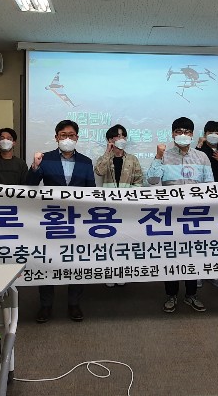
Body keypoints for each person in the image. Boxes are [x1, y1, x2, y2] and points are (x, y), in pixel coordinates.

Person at [26, 120, 95, 323]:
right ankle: (46, 305)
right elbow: (29, 185)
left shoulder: (86, 161)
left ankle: (74, 303)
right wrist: (35, 166)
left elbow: (91, 192)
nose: (67, 139)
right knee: (47, 260)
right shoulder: (45, 159)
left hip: (77, 220)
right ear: (56, 137)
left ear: (77, 138)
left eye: (71, 135)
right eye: (63, 135)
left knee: (77, 261)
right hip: (52, 219)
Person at [146, 117, 214, 313]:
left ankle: (191, 295)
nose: (182, 135)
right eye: (178, 131)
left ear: (192, 135)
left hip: (194, 216)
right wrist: (158, 156)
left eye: (186, 131)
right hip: (171, 216)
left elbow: (210, 186)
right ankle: (171, 295)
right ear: (173, 134)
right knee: (171, 256)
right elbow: (152, 180)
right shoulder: (164, 156)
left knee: (192, 256)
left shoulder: (202, 157)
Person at [94, 124, 144, 287]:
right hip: (107, 206)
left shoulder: (132, 159)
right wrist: (107, 153)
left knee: (124, 239)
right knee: (108, 239)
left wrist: (130, 197)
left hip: (126, 206)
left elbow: (139, 181)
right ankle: (109, 272)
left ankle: (122, 271)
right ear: (110, 139)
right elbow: (99, 171)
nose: (121, 138)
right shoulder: (105, 158)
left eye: (123, 136)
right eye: (118, 135)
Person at [195, 120, 218, 288]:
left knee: (215, 238)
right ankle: (197, 273)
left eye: (217, 132)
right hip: (200, 200)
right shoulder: (198, 151)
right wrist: (199, 146)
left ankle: (213, 272)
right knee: (199, 238)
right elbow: (192, 169)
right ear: (204, 134)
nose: (214, 135)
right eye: (210, 132)